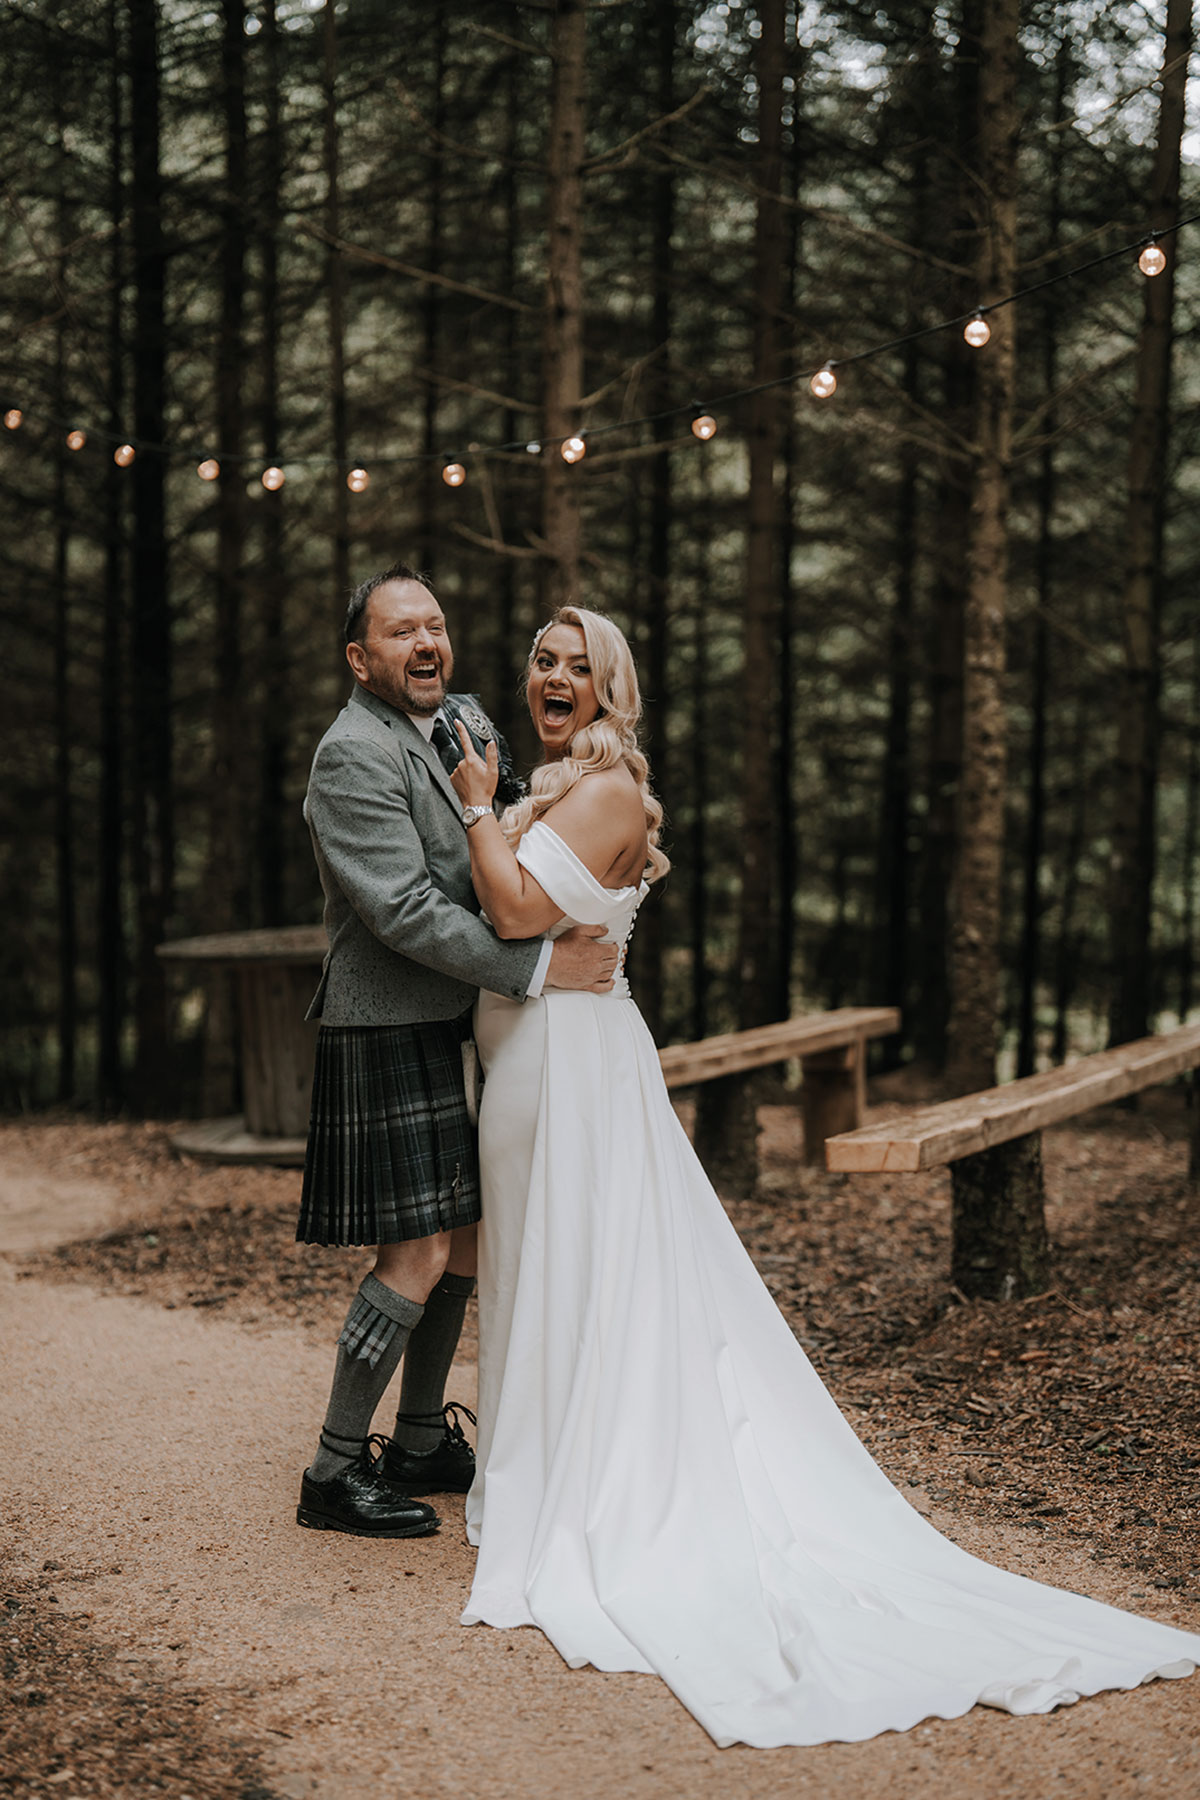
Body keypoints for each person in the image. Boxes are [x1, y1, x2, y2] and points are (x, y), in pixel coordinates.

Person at [446, 603, 1200, 1747]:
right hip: (532, 1060)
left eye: (579, 665)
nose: (555, 676)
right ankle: (541, 1468)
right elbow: (522, 924)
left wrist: (472, 811)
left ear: (614, 689)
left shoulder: (606, 792)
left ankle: (584, 1491)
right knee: (542, 1273)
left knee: (581, 1274)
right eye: (543, 660)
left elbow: (506, 905)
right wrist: (513, 854)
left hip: (571, 1071)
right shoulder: (552, 787)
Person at [293, 565, 618, 1540]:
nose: (426, 644)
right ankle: (333, 1468)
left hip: (458, 1021)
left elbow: (515, 847)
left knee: (466, 1242)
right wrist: (534, 971)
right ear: (361, 658)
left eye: (435, 625)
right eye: (401, 633)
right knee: (419, 1250)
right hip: (387, 1020)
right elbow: (401, 909)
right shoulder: (351, 754)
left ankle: (425, 1436)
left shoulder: (462, 722)